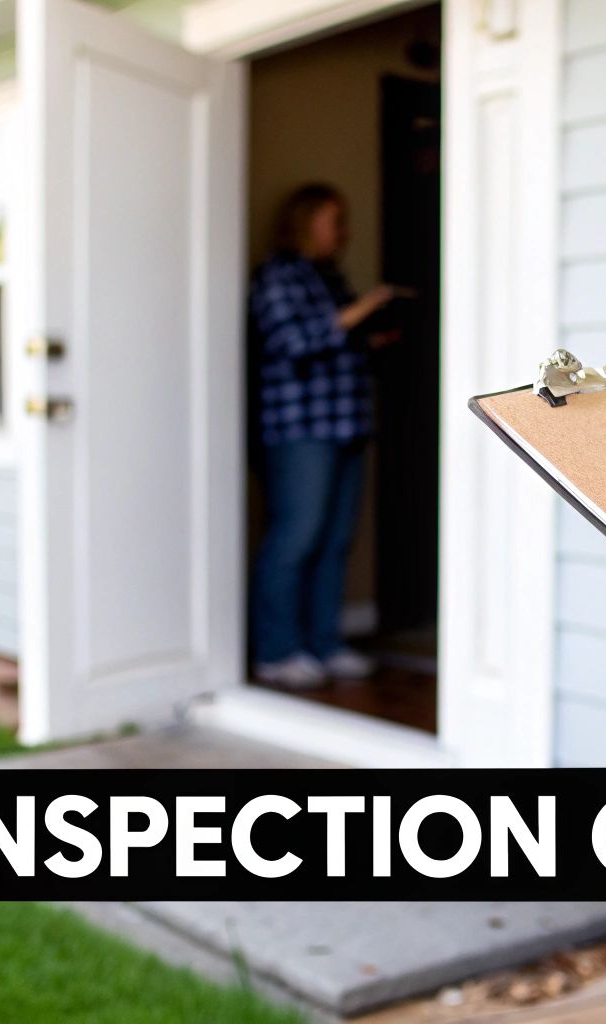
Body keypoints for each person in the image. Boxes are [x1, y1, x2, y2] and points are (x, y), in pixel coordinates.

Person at [249, 184, 400, 690]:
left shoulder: (329, 277)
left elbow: (339, 341)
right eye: (336, 221)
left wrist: (372, 335)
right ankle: (276, 651)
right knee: (296, 536)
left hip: (346, 422)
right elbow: (293, 341)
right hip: (299, 428)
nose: (345, 232)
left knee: (336, 542)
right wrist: (366, 307)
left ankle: (324, 644)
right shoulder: (277, 275)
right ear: (307, 221)